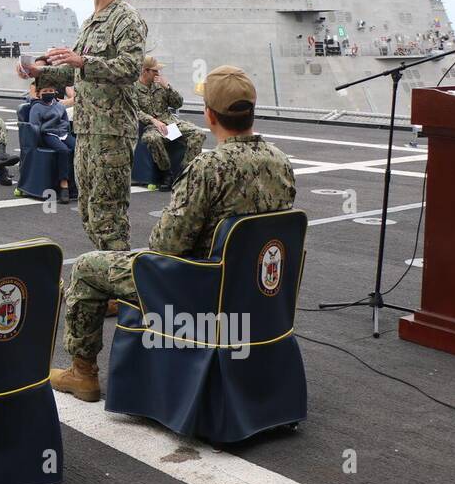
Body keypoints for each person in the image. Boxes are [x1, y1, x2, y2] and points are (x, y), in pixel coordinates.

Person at [50, 65, 297, 401]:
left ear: (210, 115)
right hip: (254, 290)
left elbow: (165, 247)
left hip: (199, 289)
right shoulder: (280, 161)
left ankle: (83, 373)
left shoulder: (208, 168)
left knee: (87, 268)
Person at [20, 0, 146, 251]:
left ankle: (118, 283)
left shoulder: (126, 19)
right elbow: (76, 74)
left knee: (109, 215)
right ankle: (108, 277)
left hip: (112, 132)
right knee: (90, 213)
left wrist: (83, 62)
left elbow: (131, 68)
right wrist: (38, 72)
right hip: (87, 131)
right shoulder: (90, 23)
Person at [135, 55, 206, 185]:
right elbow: (134, 110)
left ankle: (185, 171)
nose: (158, 73)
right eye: (155, 71)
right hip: (151, 127)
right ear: (145, 71)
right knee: (152, 139)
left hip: (170, 124)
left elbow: (178, 103)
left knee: (199, 133)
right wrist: (153, 120)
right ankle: (166, 173)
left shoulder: (161, 86)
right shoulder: (133, 88)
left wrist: (168, 87)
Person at [28, 79, 75, 203]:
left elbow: (65, 120)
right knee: (63, 151)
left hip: (63, 133)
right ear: (39, 94)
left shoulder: (59, 105)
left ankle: (76, 183)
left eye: (51, 91)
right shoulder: (36, 107)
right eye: (45, 91)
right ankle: (63, 185)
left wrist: (65, 130)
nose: (48, 93)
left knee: (78, 148)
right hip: (48, 134)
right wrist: (40, 140)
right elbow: (34, 126)